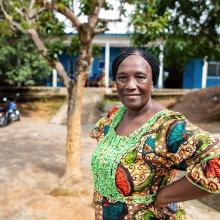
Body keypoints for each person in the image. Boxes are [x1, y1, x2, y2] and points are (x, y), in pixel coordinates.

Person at [90, 49, 220, 220]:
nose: (130, 85)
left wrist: (165, 196)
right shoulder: (114, 117)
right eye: (122, 78)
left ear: (152, 82)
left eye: (140, 77)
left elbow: (216, 162)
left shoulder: (169, 127)